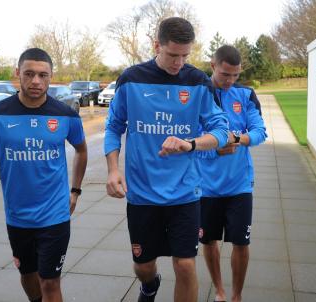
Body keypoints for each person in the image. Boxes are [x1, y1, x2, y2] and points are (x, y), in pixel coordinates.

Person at [105, 17, 233, 302]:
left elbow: (222, 132)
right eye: (173, 55)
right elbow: (114, 126)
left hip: (185, 193)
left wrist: (190, 144)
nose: (179, 63)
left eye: (185, 55)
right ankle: (149, 285)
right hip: (142, 194)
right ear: (156, 46)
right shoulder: (131, 79)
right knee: (143, 266)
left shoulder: (198, 82)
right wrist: (113, 169)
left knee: (186, 264)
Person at [0, 48, 87, 302]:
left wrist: (75, 190)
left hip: (55, 215)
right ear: (17, 73)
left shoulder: (66, 115)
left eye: (43, 75)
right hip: (18, 217)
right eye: (29, 74)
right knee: (29, 276)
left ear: (51, 76)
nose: (36, 81)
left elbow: (82, 150)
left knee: (50, 282)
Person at [197, 45, 267, 302]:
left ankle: (236, 295)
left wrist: (237, 138)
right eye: (225, 74)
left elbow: (260, 132)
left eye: (235, 75)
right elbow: (192, 144)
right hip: (206, 186)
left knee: (241, 243)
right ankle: (220, 291)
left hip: (240, 186)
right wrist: (215, 150)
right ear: (213, 65)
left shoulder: (246, 95)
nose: (230, 80)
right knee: (209, 242)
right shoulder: (198, 94)